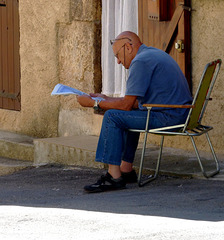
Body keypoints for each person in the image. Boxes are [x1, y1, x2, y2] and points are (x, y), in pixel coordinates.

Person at [77, 31, 192, 193]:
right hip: (179, 114)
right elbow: (132, 103)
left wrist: (94, 103)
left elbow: (126, 105)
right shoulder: (150, 54)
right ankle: (126, 170)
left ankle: (113, 177)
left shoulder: (141, 61)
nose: (118, 61)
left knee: (113, 117)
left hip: (169, 117)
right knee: (125, 115)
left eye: (118, 55)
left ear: (129, 47)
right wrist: (105, 98)